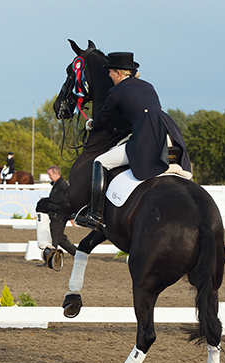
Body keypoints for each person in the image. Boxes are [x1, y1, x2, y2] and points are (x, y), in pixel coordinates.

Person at [74, 52, 192, 231]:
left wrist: (91, 124)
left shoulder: (116, 92)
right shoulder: (148, 86)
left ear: (119, 74)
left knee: (100, 162)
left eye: (111, 72)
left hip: (148, 138)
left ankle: (95, 216)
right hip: (170, 133)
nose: (109, 76)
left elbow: (104, 119)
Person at [38, 165, 77, 267]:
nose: (49, 176)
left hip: (59, 217)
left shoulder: (62, 186)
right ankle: (78, 254)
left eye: (50, 174)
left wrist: (70, 216)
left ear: (56, 174)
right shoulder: (57, 185)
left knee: (54, 239)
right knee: (60, 239)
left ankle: (51, 261)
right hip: (56, 215)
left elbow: (66, 202)